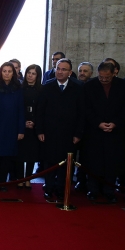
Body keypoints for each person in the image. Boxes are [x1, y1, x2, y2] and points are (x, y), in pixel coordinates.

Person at [36, 58, 85, 201]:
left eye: (64, 69)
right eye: (58, 68)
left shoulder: (78, 88)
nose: (60, 71)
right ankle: (49, 188)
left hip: (69, 134)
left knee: (66, 164)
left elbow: (82, 113)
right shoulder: (47, 86)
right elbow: (40, 111)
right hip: (49, 133)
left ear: (70, 72)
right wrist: (40, 131)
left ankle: (62, 190)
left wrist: (78, 134)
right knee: (49, 163)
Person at [83, 62, 125, 203]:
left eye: (107, 77)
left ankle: (109, 190)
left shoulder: (123, 86)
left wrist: (115, 123)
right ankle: (93, 189)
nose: (103, 79)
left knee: (112, 163)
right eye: (101, 77)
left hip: (115, 131)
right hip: (94, 131)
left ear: (114, 73)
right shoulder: (89, 86)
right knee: (93, 162)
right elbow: (86, 109)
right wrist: (98, 123)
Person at [0, 62, 25, 191]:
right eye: (4, 71)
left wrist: (21, 130)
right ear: (0, 72)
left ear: (13, 73)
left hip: (12, 128)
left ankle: (3, 182)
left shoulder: (18, 87)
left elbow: (21, 110)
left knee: (7, 157)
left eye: (9, 71)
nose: (7, 73)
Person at [15, 64, 43, 188]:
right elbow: (16, 108)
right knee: (20, 154)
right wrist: (23, 122)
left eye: (33, 73)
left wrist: (35, 121)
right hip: (21, 126)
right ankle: (20, 178)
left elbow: (43, 109)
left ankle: (28, 179)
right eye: (29, 73)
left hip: (34, 127)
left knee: (31, 155)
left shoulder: (42, 90)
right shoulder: (19, 89)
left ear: (38, 76)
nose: (30, 76)